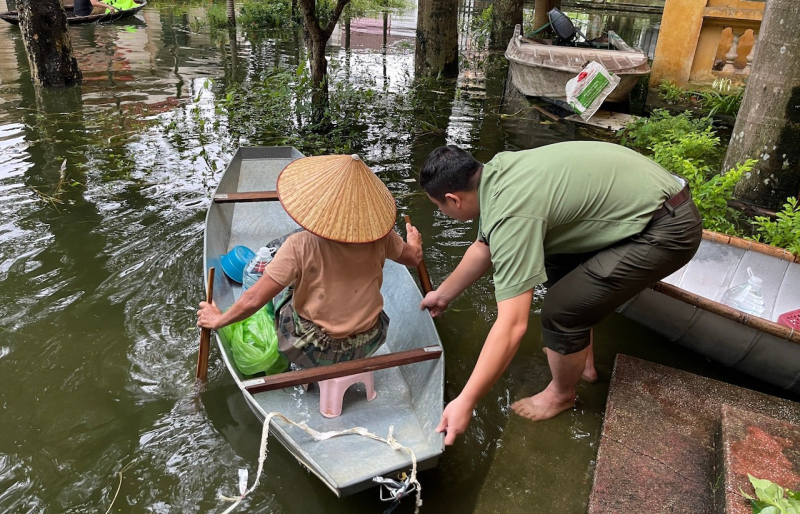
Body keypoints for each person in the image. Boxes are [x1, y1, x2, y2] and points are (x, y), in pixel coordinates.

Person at [419, 142, 703, 445]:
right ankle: (583, 362)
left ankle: (561, 395)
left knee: (560, 312)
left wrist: (466, 400)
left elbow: (513, 326)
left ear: (453, 199)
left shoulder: (511, 214)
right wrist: (443, 295)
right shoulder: (498, 172)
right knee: (553, 256)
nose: (441, 212)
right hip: (651, 200)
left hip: (666, 228)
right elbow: (484, 247)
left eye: (439, 207)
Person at [197, 154, 423, 368]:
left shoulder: (299, 244)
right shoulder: (382, 236)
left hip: (314, 348)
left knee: (280, 289)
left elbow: (253, 298)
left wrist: (219, 320)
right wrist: (413, 242)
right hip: (370, 339)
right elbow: (413, 258)